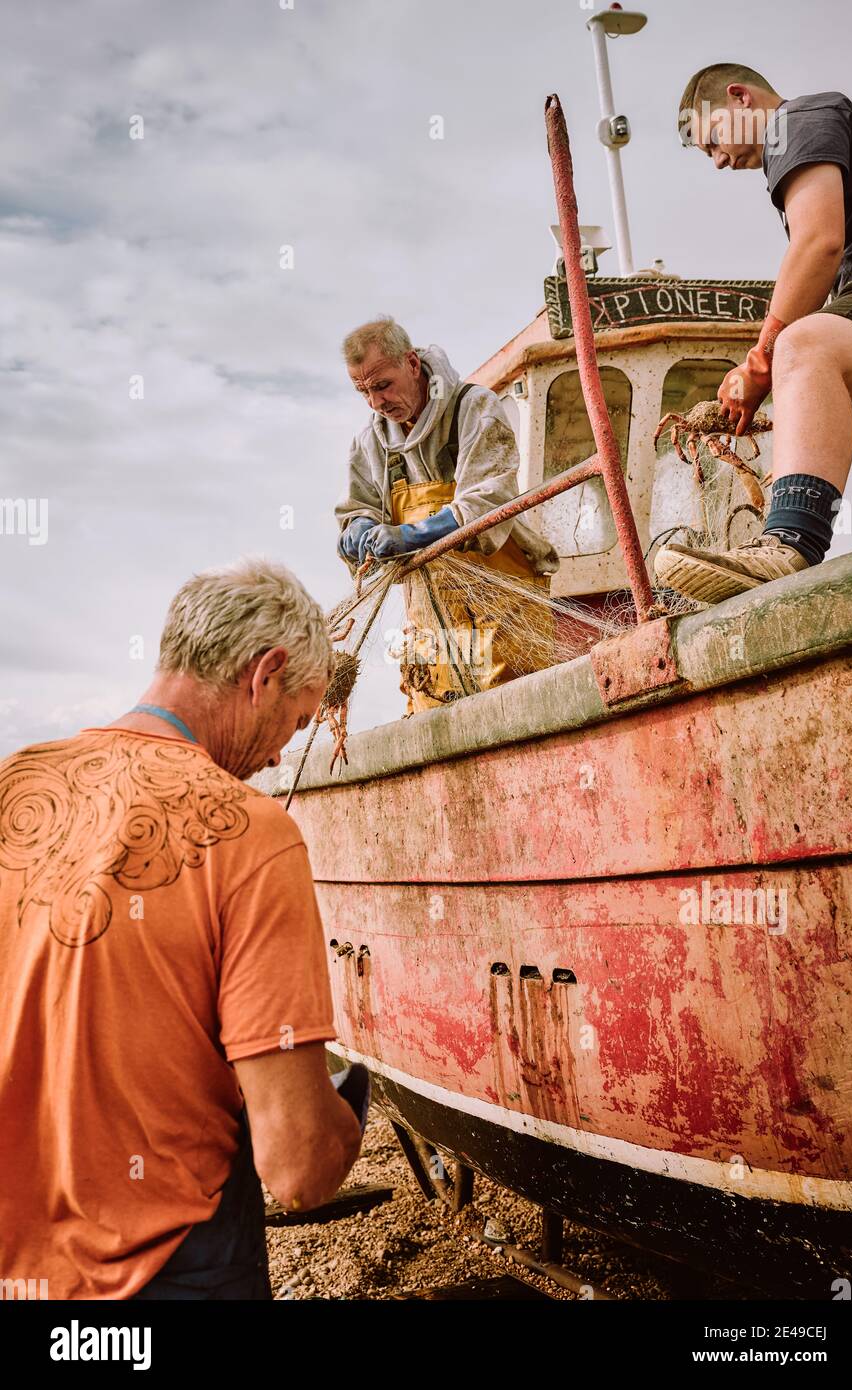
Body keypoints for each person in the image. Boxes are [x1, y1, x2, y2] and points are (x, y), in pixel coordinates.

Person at [0, 557, 365, 1300]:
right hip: (168, 1267)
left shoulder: (14, 789)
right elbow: (297, 1169)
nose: (275, 756)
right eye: (294, 722)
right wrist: (344, 1119)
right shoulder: (252, 832)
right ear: (265, 672)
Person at [655, 64, 852, 604]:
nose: (720, 162)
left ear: (739, 98)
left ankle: (789, 544)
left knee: (804, 344)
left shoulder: (796, 119)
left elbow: (818, 243)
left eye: (713, 142)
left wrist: (759, 365)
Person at [335, 316, 559, 712]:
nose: (376, 402)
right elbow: (355, 508)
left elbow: (489, 499)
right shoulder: (371, 441)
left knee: (518, 711)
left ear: (412, 363)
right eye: (363, 392)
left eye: (382, 385)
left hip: (504, 608)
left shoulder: (474, 408)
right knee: (431, 714)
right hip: (429, 623)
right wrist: (358, 530)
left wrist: (415, 534)